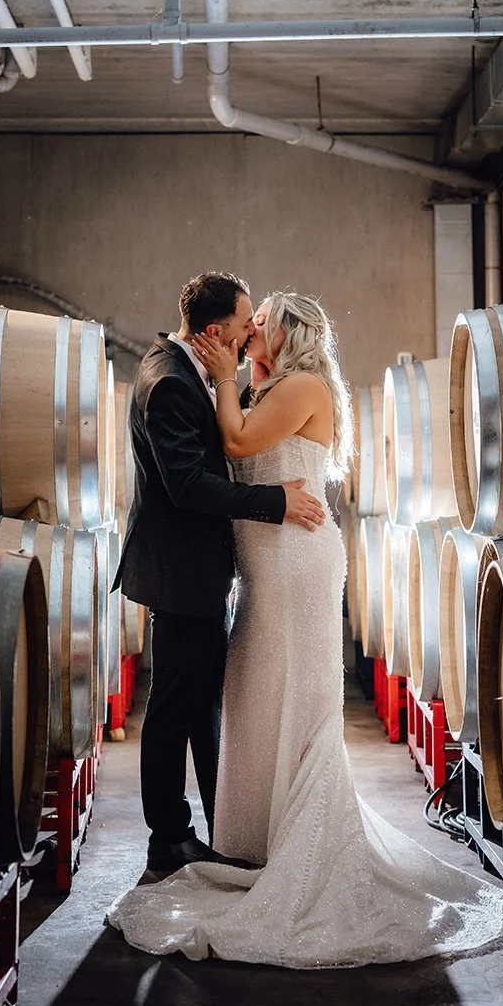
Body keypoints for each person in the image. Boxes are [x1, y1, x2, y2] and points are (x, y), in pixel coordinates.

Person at [107, 291, 503, 968]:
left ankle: (289, 842)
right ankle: (249, 838)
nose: (248, 330)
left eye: (258, 322)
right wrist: (234, 378)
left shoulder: (301, 386)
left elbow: (235, 443)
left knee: (288, 699)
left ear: (286, 331)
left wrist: (229, 378)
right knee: (257, 701)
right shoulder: (262, 385)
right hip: (261, 567)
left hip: (294, 563)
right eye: (244, 322)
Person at [112, 272, 326, 885]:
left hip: (202, 572)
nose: (250, 330)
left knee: (202, 701)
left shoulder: (194, 373)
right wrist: (274, 503)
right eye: (242, 324)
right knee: (176, 706)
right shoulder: (170, 382)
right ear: (214, 332)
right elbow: (187, 486)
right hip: (182, 574)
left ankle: (216, 828)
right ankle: (169, 840)